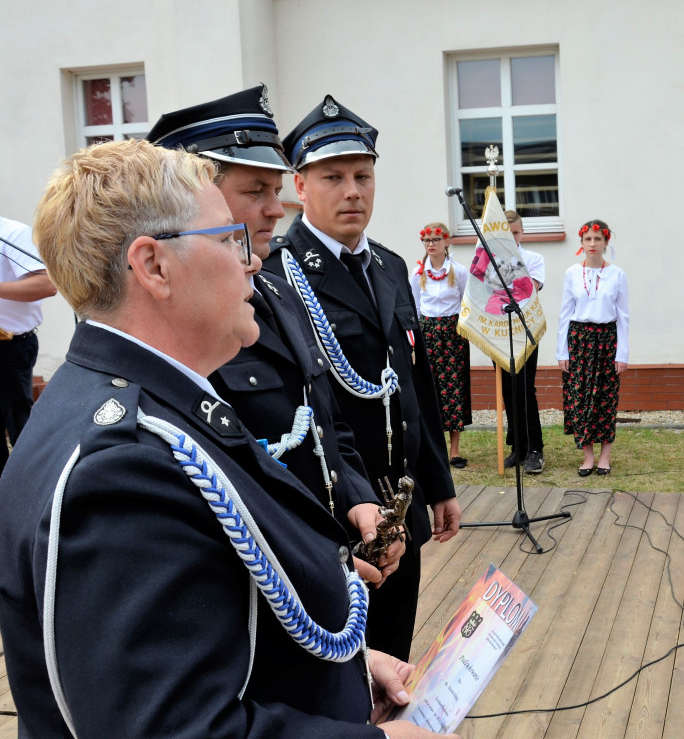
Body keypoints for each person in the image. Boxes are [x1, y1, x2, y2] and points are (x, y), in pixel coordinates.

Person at [0, 139, 458, 739]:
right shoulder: (120, 470)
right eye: (227, 240)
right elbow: (171, 728)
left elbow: (220, 629)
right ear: (154, 266)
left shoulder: (150, 400)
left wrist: (343, 672)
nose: (252, 262)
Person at [146, 85, 402, 589]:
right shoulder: (183, 323)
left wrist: (359, 500)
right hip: (272, 577)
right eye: (255, 192)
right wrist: (319, 565)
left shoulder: (279, 292)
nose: (275, 209)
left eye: (275, 189)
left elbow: (326, 422)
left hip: (332, 556)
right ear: (201, 200)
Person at [264, 96, 460, 662]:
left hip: (401, 503)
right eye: (333, 177)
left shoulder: (392, 266)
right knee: (338, 666)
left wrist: (438, 482)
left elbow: (411, 384)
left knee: (394, 651)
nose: (353, 190)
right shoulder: (277, 278)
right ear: (300, 186)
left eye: (362, 176)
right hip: (333, 514)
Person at [557, 220, 628, 475]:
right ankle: (587, 455)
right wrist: (561, 351)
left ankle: (605, 457)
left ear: (606, 242)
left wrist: (622, 353)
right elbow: (565, 313)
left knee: (605, 398)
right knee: (579, 397)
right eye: (588, 239)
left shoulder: (617, 274)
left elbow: (623, 316)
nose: (593, 244)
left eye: (598, 239)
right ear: (582, 243)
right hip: (579, 340)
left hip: (607, 340)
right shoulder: (571, 274)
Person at [409, 222, 472, 468]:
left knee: (453, 388)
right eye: (427, 240)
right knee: (430, 389)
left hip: (452, 334)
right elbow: (414, 307)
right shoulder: (418, 273)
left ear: (447, 242)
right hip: (428, 334)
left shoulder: (459, 271)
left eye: (436, 239)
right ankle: (434, 449)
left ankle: (454, 451)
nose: (431, 244)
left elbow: (467, 304)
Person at [0, 215, 55, 474]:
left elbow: (46, 284)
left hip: (9, 347)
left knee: (19, 423)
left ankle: (28, 486)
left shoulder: (10, 234)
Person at [499, 210, 546, 474]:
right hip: (499, 331)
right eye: (506, 234)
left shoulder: (533, 259)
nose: (511, 238)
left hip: (524, 331)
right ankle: (518, 446)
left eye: (515, 233)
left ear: (522, 232)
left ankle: (535, 448)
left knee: (525, 390)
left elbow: (530, 288)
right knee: (507, 391)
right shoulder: (491, 261)